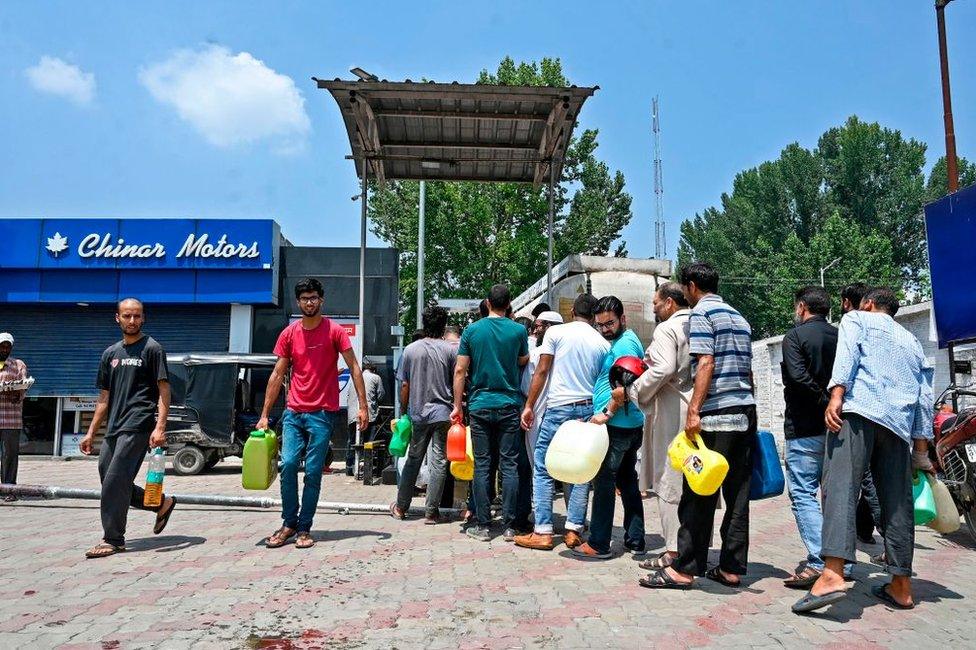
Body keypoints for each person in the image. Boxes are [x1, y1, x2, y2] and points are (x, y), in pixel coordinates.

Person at [793, 288, 934, 613]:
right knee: (898, 503)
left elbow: (848, 356)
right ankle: (901, 586)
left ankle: (831, 575)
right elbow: (924, 397)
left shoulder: (858, 319)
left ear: (868, 304)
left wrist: (837, 395)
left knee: (840, 488)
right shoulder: (911, 342)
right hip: (898, 427)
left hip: (860, 413)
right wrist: (921, 447)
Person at [640, 262, 756, 590]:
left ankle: (684, 568)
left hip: (716, 413)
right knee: (737, 493)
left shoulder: (702, 315)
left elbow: (706, 362)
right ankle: (732, 567)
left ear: (691, 287)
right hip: (744, 411)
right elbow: (747, 371)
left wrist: (694, 410)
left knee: (698, 491)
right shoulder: (740, 317)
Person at [257, 278, 368, 550]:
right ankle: (288, 523)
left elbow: (354, 367)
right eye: (305, 298)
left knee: (314, 472)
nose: (310, 302)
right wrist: (264, 414)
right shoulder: (289, 333)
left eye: (314, 297)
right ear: (298, 302)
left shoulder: (334, 331)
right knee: (289, 465)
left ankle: (304, 527)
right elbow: (277, 373)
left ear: (321, 300)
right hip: (294, 411)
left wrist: (363, 406)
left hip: (322, 413)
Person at [80, 299, 176, 558]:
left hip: (138, 424)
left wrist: (160, 427)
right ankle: (161, 503)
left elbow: (164, 390)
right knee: (111, 482)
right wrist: (91, 432)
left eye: (136, 316)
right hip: (114, 428)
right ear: (117, 318)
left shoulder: (152, 348)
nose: (132, 321)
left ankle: (113, 538)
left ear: (143, 318)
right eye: (127, 316)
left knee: (114, 482)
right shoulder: (110, 353)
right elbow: (104, 397)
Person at [515, 293, 610, 551]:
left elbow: (542, 371)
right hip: (587, 409)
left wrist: (529, 406)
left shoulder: (556, 334)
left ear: (571, 313)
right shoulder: (602, 343)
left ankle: (543, 530)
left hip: (558, 407)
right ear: (593, 317)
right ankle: (573, 530)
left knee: (544, 466)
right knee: (581, 470)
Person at [611, 282, 691, 570]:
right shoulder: (699, 324)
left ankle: (673, 552)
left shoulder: (667, 328)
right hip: (694, 408)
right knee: (692, 482)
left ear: (669, 303)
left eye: (656, 303)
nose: (654, 308)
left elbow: (663, 367)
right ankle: (692, 548)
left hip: (671, 410)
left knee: (669, 481)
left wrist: (632, 391)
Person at [780, 286, 852, 588]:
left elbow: (797, 377)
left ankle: (819, 561)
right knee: (835, 496)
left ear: (801, 307)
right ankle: (841, 561)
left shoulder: (794, 337)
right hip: (838, 427)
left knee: (803, 494)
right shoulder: (841, 337)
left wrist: (823, 403)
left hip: (805, 426)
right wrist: (834, 405)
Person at [452, 284, 531, 542]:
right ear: (509, 305)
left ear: (487, 302)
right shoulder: (519, 330)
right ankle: (510, 526)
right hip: (509, 404)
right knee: (509, 465)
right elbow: (524, 359)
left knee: (482, 466)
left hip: (479, 405)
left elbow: (460, 371)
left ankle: (483, 525)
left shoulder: (472, 331)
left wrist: (456, 406)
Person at [573, 296, 646, 559]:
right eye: (600, 324)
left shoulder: (626, 344)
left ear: (622, 319)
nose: (605, 329)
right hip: (630, 424)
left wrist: (606, 412)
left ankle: (599, 543)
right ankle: (635, 538)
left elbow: (624, 387)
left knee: (604, 482)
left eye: (610, 323)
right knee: (627, 481)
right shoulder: (622, 341)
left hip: (616, 425)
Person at [391, 306, 457, 523]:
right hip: (443, 413)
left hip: (418, 413)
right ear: (443, 325)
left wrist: (404, 410)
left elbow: (404, 386)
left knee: (413, 459)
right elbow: (456, 381)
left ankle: (401, 507)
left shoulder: (410, 350)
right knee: (439, 462)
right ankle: (432, 511)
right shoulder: (450, 351)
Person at [841, 282, 884, 546]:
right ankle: (864, 529)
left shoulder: (852, 326)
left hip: (859, 415)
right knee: (873, 478)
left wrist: (835, 399)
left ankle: (889, 540)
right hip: (887, 417)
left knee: (866, 481)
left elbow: (844, 371)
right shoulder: (886, 331)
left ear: (848, 302)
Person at [520, 311, 564, 467]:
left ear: (549, 327)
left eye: (537, 326)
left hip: (537, 416)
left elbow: (526, 387)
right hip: (564, 415)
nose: (534, 331)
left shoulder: (536, 354)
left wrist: (528, 406)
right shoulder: (567, 354)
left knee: (539, 468)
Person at [0, 333, 30, 500]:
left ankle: (9, 490)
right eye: (2, 346)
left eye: (7, 346)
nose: (5, 349)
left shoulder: (18, 365)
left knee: (9, 456)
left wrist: (17, 393)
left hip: (11, 419)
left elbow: (24, 385)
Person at [345, 360, 385, 476]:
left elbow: (348, 395)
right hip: (368, 415)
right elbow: (381, 395)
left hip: (353, 414)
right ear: (374, 370)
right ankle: (368, 469)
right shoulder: (376, 378)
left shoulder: (355, 378)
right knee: (369, 442)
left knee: (352, 441)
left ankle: (349, 468)